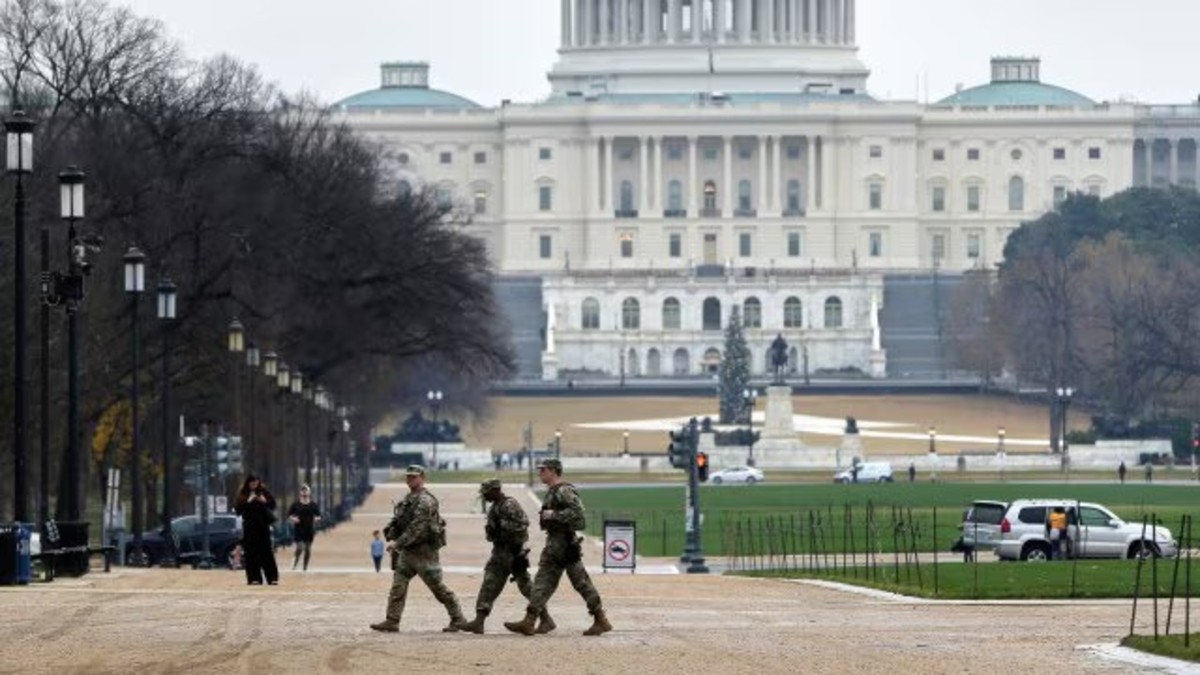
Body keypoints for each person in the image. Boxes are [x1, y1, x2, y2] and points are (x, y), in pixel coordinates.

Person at [504, 458, 611, 637]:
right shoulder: (554, 491)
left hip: (564, 543)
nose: (540, 473)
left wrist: (553, 514)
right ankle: (531, 621)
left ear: (553, 471)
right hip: (557, 543)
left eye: (543, 470)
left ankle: (600, 619)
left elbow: (579, 515)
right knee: (550, 581)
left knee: (573, 582)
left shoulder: (564, 491)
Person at [370, 465, 467, 633]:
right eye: (408, 477)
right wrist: (391, 530)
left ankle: (458, 618)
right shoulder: (408, 499)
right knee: (398, 586)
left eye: (413, 477)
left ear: (422, 478)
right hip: (408, 552)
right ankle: (392, 620)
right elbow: (400, 520)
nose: (410, 480)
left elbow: (417, 528)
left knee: (438, 588)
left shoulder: (425, 501)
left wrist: (397, 543)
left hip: (424, 552)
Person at [461, 479, 553, 634]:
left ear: (495, 490)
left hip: (514, 552)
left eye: (486, 492)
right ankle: (479, 621)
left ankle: (545, 619)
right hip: (499, 553)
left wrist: (501, 525)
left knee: (526, 587)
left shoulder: (509, 504)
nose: (484, 496)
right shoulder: (495, 507)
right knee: (489, 583)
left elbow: (523, 524)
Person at [234, 474, 279, 585]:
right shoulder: (243, 494)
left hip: (263, 526)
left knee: (266, 552)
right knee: (251, 553)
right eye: (252, 482)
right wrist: (248, 501)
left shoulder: (264, 492)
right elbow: (238, 510)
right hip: (249, 527)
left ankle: (272, 577)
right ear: (248, 483)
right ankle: (254, 578)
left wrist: (264, 501)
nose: (254, 484)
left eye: (256, 482)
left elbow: (273, 505)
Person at [287, 484, 322, 572]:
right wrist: (293, 519)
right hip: (298, 530)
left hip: (309, 530)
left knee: (308, 549)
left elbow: (319, 515)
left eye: (306, 490)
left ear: (309, 492)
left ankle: (305, 567)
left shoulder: (313, 505)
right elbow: (289, 515)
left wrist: (317, 519)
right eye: (303, 490)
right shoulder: (296, 504)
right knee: (299, 548)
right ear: (300, 492)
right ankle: (295, 562)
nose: (304, 492)